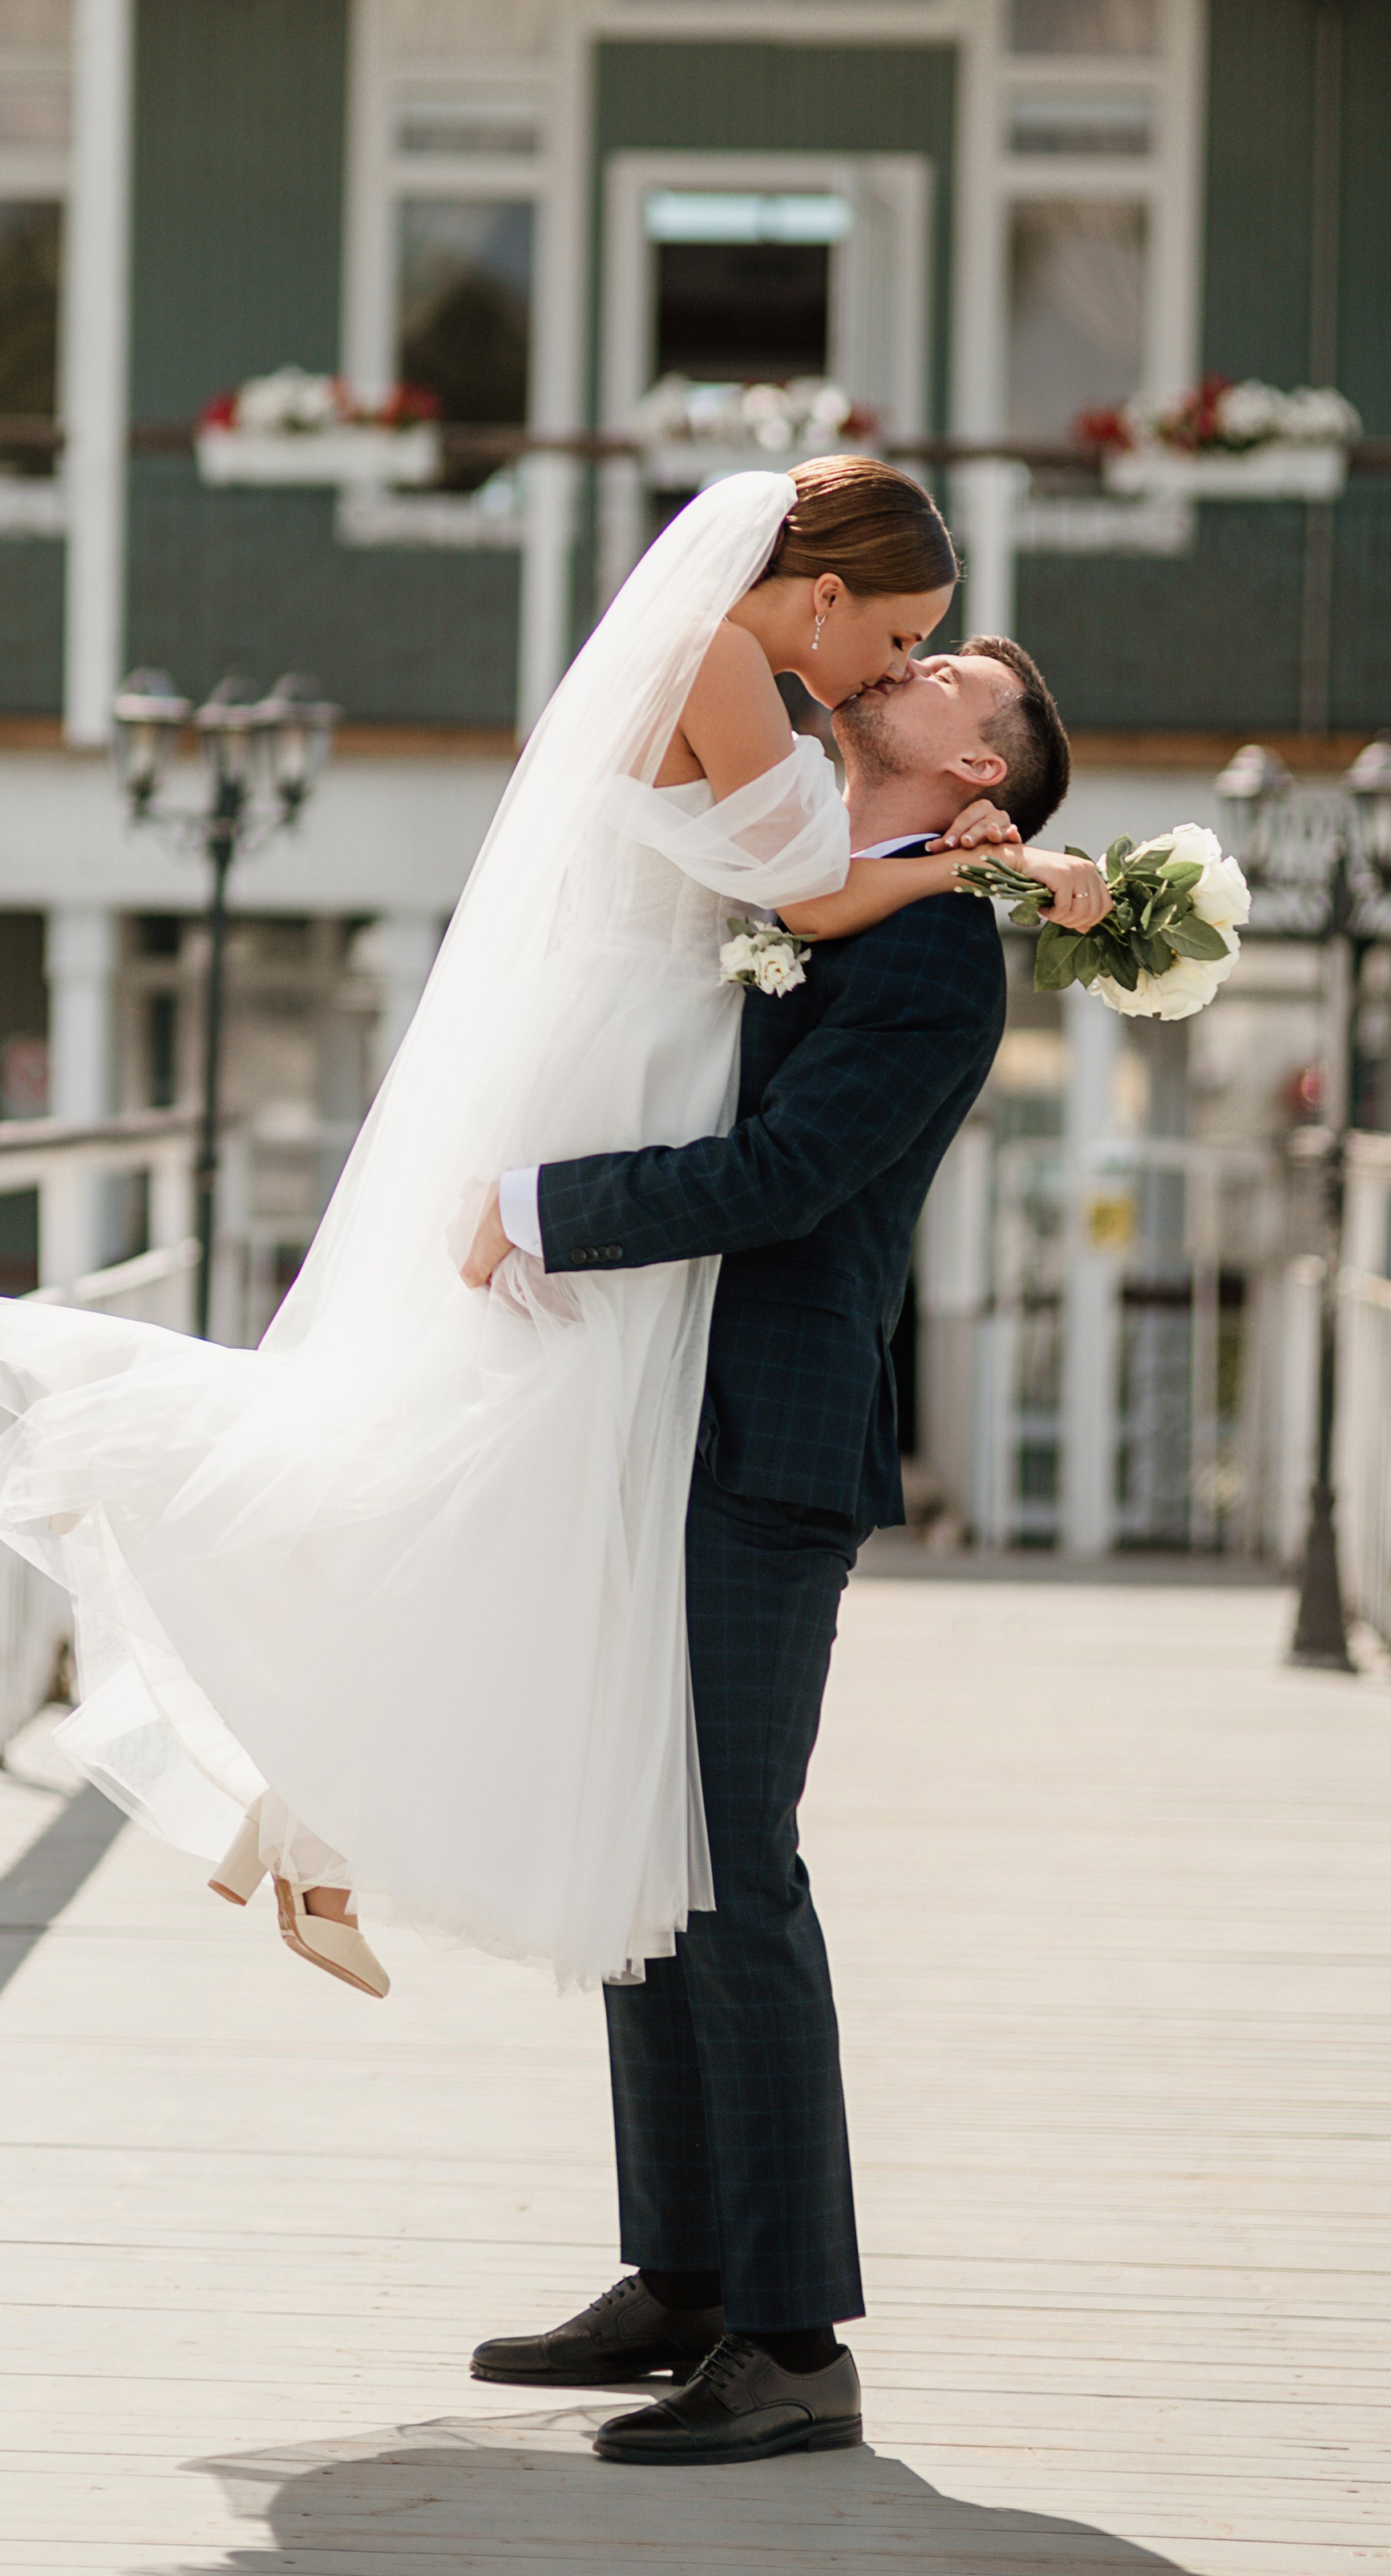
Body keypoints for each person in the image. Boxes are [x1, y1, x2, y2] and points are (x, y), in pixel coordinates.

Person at [0, 463, 1100, 2006]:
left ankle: (322, 1803)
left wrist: (988, 862)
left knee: (516, 1466)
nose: (890, 669)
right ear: (824, 595)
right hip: (629, 1052)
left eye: (918, 661)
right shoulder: (720, 662)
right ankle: (320, 1793)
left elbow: (815, 900)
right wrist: (997, 860)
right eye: (899, 636)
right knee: (505, 1447)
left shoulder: (744, 668)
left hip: (643, 1049)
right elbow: (816, 899)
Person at [459, 628, 1078, 2468]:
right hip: (658, 1421)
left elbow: (781, 1175)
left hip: (765, 1444)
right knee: (651, 1856)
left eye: (950, 671)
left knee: (732, 1868)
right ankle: (686, 2275)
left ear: (982, 768)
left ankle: (795, 2342)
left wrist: (532, 1207)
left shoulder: (940, 958)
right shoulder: (820, 878)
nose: (907, 663)